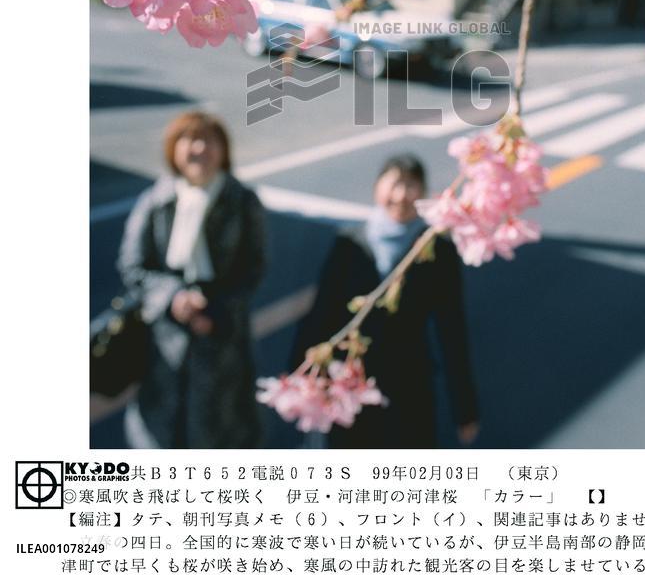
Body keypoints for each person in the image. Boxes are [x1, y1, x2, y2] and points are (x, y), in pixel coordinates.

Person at [292, 154, 479, 448]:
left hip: (409, 383)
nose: (401, 195)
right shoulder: (350, 242)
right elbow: (322, 312)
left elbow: (452, 330)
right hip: (350, 382)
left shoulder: (436, 249)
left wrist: (464, 407)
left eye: (411, 185)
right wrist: (303, 378)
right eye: (394, 184)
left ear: (423, 193)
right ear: (377, 188)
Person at [118, 111, 266, 449]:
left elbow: (255, 268)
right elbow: (132, 265)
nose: (200, 148)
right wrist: (173, 299)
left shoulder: (243, 201)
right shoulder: (157, 201)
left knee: (221, 433)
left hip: (224, 340)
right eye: (190, 139)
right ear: (174, 149)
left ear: (223, 151)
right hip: (163, 344)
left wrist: (213, 310)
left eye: (209, 140)